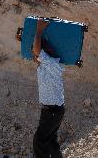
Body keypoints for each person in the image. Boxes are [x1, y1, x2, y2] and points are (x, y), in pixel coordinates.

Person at [16, 18, 65, 158]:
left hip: (52, 111)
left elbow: (37, 51)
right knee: (50, 142)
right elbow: (35, 54)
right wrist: (24, 40)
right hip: (53, 110)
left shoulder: (52, 63)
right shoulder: (49, 63)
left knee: (39, 142)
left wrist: (39, 30)